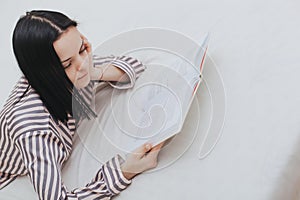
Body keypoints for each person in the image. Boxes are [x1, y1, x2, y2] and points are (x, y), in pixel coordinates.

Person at [0, 10, 164, 199]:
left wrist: (94, 72)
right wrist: (126, 171)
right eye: (67, 64)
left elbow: (134, 66)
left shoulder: (76, 69)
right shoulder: (34, 130)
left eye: (81, 48)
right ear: (45, 74)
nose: (83, 64)